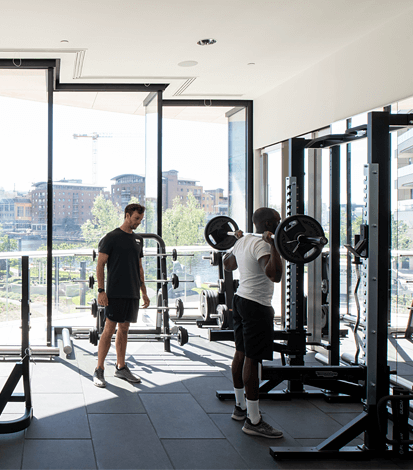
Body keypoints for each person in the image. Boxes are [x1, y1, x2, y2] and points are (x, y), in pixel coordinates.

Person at [223, 207, 283, 438]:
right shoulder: (262, 244)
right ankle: (254, 420)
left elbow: (229, 265)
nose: (281, 224)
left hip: (240, 301)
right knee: (251, 357)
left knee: (240, 352)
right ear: (269, 224)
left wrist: (236, 244)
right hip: (256, 305)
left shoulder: (244, 240)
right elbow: (274, 275)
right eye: (278, 221)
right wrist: (275, 247)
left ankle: (240, 407)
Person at [93, 203, 150, 387]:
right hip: (115, 293)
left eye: (140, 219)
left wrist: (144, 292)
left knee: (124, 329)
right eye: (136, 219)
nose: (138, 222)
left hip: (132, 293)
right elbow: (100, 264)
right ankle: (99, 369)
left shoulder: (138, 240)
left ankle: (121, 367)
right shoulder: (111, 238)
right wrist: (101, 290)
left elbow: (139, 268)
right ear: (127, 216)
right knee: (109, 329)